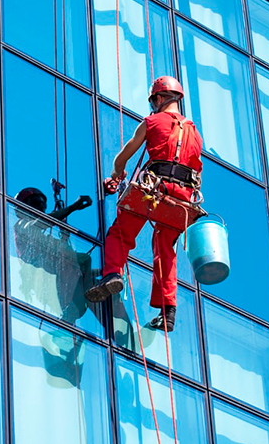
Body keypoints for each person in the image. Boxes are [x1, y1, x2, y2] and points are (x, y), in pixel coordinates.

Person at [85, 76, 203, 332]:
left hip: (154, 190)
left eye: (154, 100)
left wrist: (118, 174)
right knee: (165, 248)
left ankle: (113, 274)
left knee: (120, 233)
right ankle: (168, 311)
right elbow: (196, 171)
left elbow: (123, 156)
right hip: (181, 199)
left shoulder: (151, 122)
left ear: (159, 98)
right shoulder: (195, 134)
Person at [13, 187, 95, 323]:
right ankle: (72, 306)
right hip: (42, 261)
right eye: (35, 202)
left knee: (85, 259)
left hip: (52, 260)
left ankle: (85, 296)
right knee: (71, 261)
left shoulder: (41, 236)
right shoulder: (22, 225)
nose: (40, 206)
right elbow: (42, 223)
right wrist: (73, 207)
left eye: (42, 204)